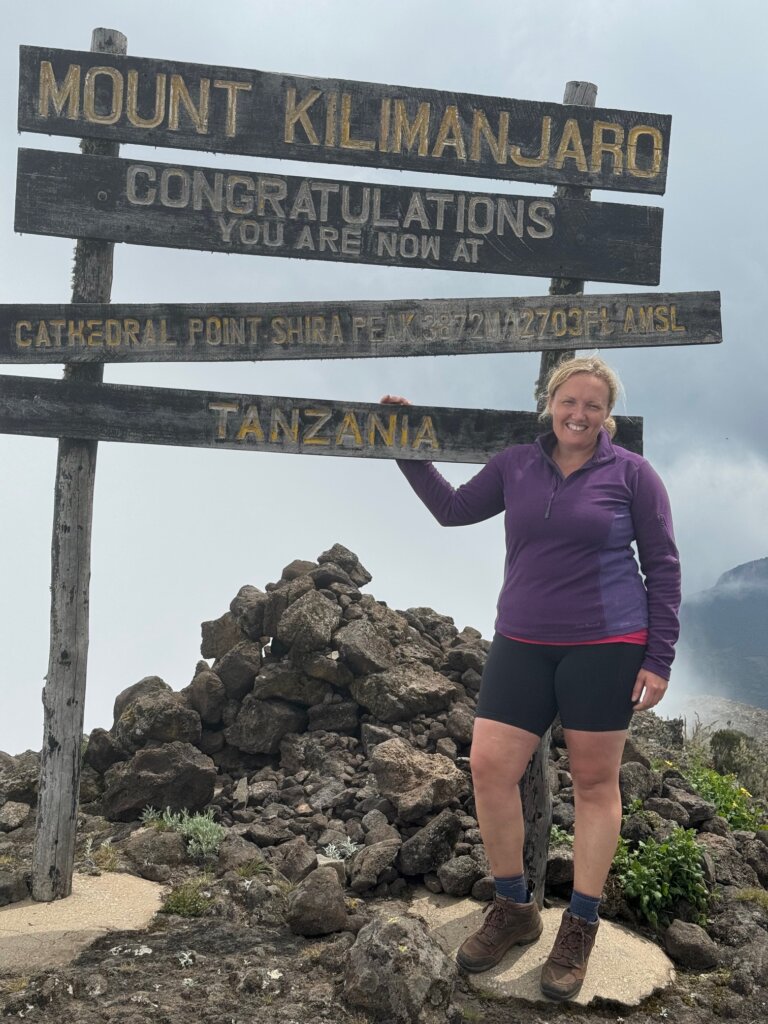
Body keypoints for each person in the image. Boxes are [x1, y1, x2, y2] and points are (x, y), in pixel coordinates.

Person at [381, 356, 681, 1001]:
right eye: (569, 401)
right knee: (489, 766)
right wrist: (405, 449)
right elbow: (454, 510)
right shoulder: (516, 463)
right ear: (549, 403)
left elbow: (663, 566)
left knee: (597, 784)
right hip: (521, 639)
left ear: (609, 415)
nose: (579, 414)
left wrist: (659, 658)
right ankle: (515, 906)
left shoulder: (633, 476)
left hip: (608, 644)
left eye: (593, 406)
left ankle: (579, 926)